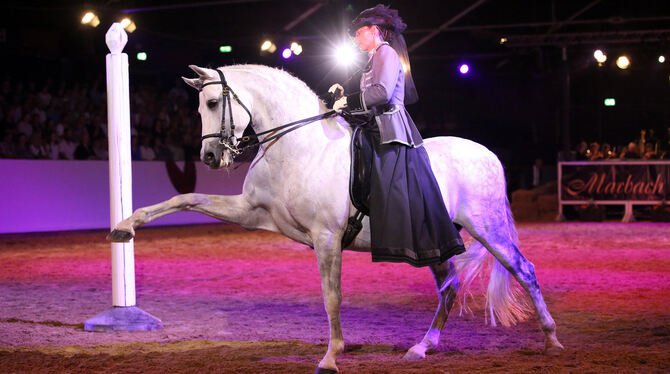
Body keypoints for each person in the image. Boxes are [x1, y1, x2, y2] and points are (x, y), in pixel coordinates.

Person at [329, 4, 465, 267]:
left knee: (387, 181)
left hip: (391, 129)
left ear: (375, 31)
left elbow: (381, 93)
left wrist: (348, 102)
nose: (356, 38)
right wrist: (341, 97)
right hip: (374, 123)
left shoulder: (387, 53)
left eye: (359, 33)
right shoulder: (372, 58)